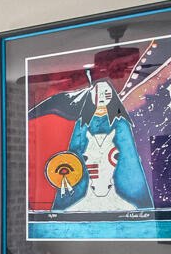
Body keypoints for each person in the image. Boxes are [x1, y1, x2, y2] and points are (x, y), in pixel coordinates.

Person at [54, 74, 152, 211]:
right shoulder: (82, 124)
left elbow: (129, 157)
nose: (101, 96)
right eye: (98, 93)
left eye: (105, 93)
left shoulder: (121, 123)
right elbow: (75, 151)